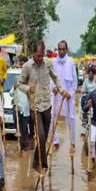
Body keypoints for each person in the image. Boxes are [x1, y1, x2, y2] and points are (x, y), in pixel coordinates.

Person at [18, 40, 69, 172]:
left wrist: (61, 89)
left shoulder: (48, 63)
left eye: (42, 55)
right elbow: (20, 84)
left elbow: (55, 77)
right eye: (38, 56)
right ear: (33, 53)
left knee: (45, 136)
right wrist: (29, 88)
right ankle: (43, 164)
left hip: (47, 104)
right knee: (40, 135)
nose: (40, 58)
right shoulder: (27, 67)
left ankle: (36, 162)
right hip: (35, 106)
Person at [50, 40, 77, 149]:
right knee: (52, 117)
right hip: (57, 95)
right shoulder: (54, 62)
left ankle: (73, 141)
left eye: (63, 49)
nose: (61, 51)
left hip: (68, 95)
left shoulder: (71, 62)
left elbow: (75, 81)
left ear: (66, 49)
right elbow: (51, 79)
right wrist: (53, 88)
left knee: (71, 118)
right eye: (59, 49)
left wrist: (71, 93)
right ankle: (55, 140)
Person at [9, 57, 33, 151]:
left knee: (24, 128)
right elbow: (11, 94)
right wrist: (14, 88)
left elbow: (31, 95)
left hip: (25, 109)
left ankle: (25, 145)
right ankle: (20, 145)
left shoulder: (27, 85)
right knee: (17, 128)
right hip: (16, 108)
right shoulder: (16, 84)